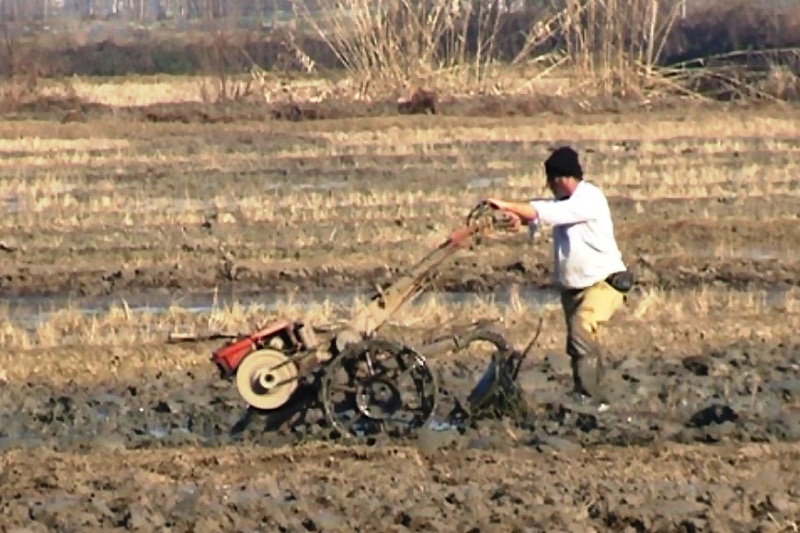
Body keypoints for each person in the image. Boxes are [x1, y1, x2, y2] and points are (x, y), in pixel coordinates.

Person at [483, 146, 634, 408]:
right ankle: (593, 397)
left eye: (550, 181)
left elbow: (549, 213)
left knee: (581, 330)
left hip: (603, 283)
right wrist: (519, 219)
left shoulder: (589, 198)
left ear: (559, 178)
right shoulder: (565, 203)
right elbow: (546, 214)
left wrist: (508, 205)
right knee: (581, 343)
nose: (549, 187)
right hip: (574, 287)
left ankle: (588, 397)